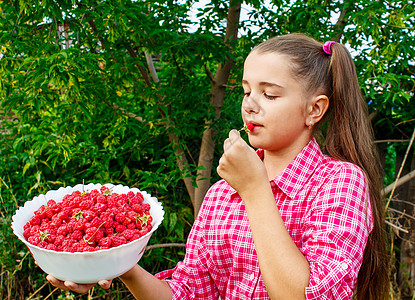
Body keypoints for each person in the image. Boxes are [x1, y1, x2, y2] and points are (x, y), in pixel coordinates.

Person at [47, 33, 389, 300]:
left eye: (269, 95)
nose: (250, 106)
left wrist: (255, 190)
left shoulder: (339, 183)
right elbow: (187, 293)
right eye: (245, 91)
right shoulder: (222, 194)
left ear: (314, 110)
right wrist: (117, 262)